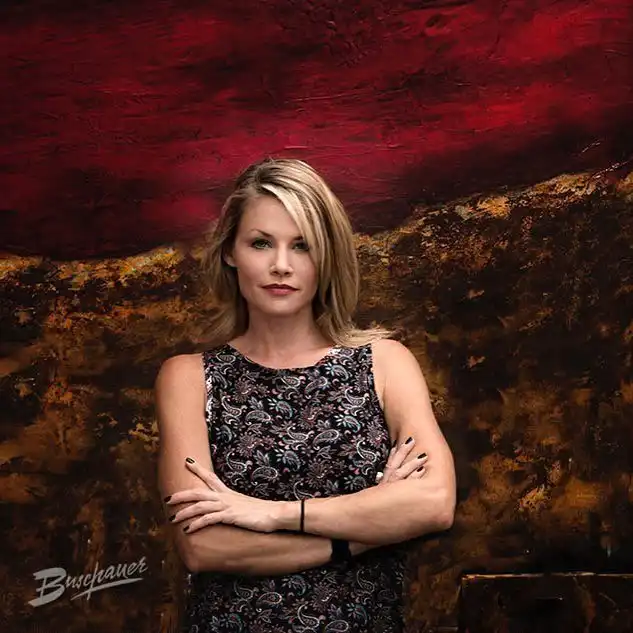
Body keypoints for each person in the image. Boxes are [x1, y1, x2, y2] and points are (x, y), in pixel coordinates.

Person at [155, 158, 456, 632]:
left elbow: (434, 503)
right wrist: (367, 529)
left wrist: (270, 515)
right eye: (261, 243)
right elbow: (204, 546)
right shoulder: (188, 378)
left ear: (326, 256)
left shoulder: (385, 363)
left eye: (303, 246)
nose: (281, 265)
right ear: (230, 252)